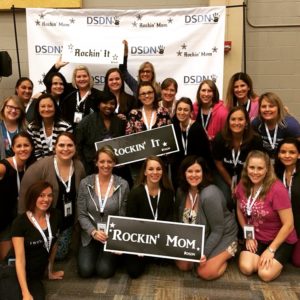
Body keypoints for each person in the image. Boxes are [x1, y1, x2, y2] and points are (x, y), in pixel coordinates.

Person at [18, 132, 85, 260]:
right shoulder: (39, 168)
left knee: (60, 255)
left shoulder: (79, 167)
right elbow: (24, 197)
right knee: (44, 255)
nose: (65, 149)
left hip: (67, 223)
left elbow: (81, 195)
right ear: (54, 147)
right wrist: (24, 228)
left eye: (70, 145)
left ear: (75, 147)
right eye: (61, 145)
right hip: (43, 223)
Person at [235, 150, 297, 282]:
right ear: (246, 168)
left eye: (260, 168)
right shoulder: (243, 184)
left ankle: (276, 260)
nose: (255, 172)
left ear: (268, 169)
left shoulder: (277, 189)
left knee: (265, 274)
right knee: (246, 268)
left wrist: (271, 250)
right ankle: (262, 259)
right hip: (257, 237)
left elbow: (289, 224)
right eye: (252, 167)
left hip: (280, 239)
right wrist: (248, 236)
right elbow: (240, 210)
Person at [175, 156, 238, 280]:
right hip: (199, 237)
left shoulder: (210, 194)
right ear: (184, 173)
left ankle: (228, 253)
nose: (194, 175)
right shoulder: (181, 192)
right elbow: (179, 222)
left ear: (204, 173)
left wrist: (203, 253)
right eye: (190, 171)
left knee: (205, 272)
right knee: (183, 265)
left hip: (223, 234)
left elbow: (217, 230)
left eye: (198, 171)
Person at [0, 181, 64, 300]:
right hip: (13, 270)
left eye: (49, 195)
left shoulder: (56, 215)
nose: (46, 199)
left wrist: (50, 271)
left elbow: (53, 244)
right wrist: (25, 293)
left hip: (34, 275)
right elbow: (20, 260)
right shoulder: (20, 222)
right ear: (32, 196)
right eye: (41, 195)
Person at [77, 146, 129, 278]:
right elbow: (81, 214)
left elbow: (122, 215)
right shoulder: (85, 183)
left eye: (109, 161)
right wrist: (93, 232)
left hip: (110, 235)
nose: (106, 165)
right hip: (90, 234)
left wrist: (114, 236)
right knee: (85, 271)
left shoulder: (123, 185)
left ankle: (109, 257)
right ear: (96, 163)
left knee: (104, 272)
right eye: (102, 161)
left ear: (114, 163)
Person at [125, 156, 174, 278]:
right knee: (134, 272)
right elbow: (130, 223)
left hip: (159, 238)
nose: (155, 172)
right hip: (139, 239)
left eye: (158, 169)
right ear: (145, 172)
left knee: (168, 262)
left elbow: (170, 218)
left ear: (163, 171)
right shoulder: (135, 193)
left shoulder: (168, 193)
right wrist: (138, 245)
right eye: (151, 169)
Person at [212, 106, 263, 210]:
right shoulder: (220, 138)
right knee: (227, 199)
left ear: (246, 122)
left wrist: (240, 185)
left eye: (240, 119)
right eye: (233, 119)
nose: (236, 123)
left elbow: (257, 165)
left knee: (245, 200)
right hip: (224, 173)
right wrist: (231, 184)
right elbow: (218, 163)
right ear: (228, 122)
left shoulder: (255, 140)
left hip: (248, 175)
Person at [0, 132, 34, 261]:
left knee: (10, 260)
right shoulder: (4, 167)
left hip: (14, 219)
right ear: (13, 148)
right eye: (18, 146)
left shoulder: (30, 167)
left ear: (31, 147)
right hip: (2, 219)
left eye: (26, 145)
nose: (23, 149)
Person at [76, 91, 126, 175]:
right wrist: (83, 167)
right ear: (98, 105)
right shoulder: (85, 123)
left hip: (115, 169)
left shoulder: (120, 122)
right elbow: (78, 146)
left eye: (112, 103)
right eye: (105, 103)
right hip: (91, 169)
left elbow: (123, 144)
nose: (109, 106)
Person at [171, 97, 212, 187]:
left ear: (191, 113)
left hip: (195, 173)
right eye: (179, 109)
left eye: (186, 110)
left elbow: (204, 156)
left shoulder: (197, 129)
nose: (182, 112)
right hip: (179, 173)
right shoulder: (174, 127)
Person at [252, 92, 300, 161]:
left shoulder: (290, 124)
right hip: (266, 162)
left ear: (278, 108)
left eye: (271, 106)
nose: (267, 109)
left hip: (286, 161)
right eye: (263, 106)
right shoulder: (256, 123)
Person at [275, 138, 300, 267]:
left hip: (299, 224)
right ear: (278, 154)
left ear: (299, 154)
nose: (287, 155)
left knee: (297, 261)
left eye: (292, 152)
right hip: (281, 225)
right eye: (283, 152)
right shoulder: (275, 174)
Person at [27, 93, 72, 160]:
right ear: (38, 109)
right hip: (41, 164)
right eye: (43, 106)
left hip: (62, 162)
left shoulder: (66, 127)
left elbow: (67, 150)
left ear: (55, 108)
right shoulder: (32, 128)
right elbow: (35, 151)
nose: (46, 109)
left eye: (50, 106)